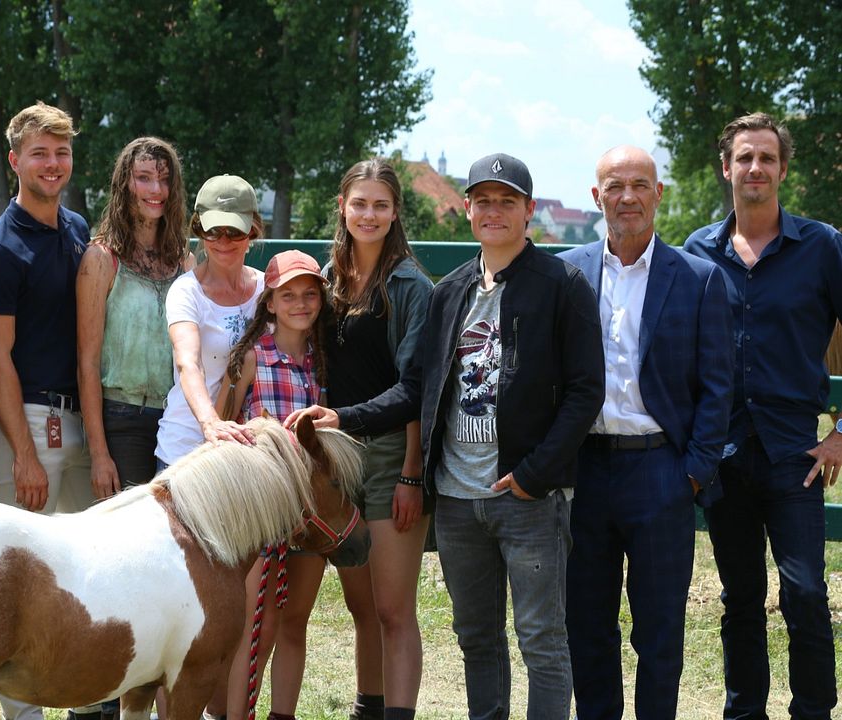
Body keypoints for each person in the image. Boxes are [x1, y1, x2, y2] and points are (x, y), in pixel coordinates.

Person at [286, 153, 605, 720]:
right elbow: (418, 389)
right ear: (466, 210)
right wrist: (347, 419)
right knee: (476, 638)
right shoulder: (450, 292)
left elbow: (585, 393)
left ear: (530, 210)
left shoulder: (562, 285)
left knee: (541, 642)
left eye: (507, 201)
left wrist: (536, 475)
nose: (494, 211)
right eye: (483, 200)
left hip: (524, 496)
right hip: (457, 497)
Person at [558, 146, 733, 720]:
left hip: (662, 470)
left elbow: (717, 383)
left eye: (640, 184)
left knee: (660, 631)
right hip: (584, 470)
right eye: (615, 185)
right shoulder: (568, 271)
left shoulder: (698, 278)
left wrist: (693, 470)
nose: (627, 196)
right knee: (588, 625)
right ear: (596, 196)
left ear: (658, 194)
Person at [684, 112, 840, 720]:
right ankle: (743, 712)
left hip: (794, 456)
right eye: (744, 158)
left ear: (782, 169)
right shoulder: (698, 251)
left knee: (805, 593)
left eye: (766, 158)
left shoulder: (822, 248)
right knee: (740, 598)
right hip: (721, 455)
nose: (755, 168)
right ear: (726, 169)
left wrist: (841, 436)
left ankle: (814, 712)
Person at [269, 159, 432, 720]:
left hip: (389, 455)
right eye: (359, 203)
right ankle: (367, 706)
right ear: (342, 206)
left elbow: (415, 391)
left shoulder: (410, 285)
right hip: (332, 461)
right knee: (355, 605)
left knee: (391, 610)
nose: (369, 214)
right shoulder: (327, 280)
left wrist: (412, 472)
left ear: (394, 213)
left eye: (381, 205)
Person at [0, 102, 99, 720]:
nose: (52, 163)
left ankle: (80, 702)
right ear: (15, 160)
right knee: (25, 589)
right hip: (31, 429)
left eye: (62, 152)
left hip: (83, 422)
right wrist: (21, 453)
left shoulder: (78, 229)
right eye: (40, 152)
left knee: (83, 582)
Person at [155, 174, 266, 720]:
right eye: (214, 231)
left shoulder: (267, 287)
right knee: (184, 598)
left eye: (236, 232)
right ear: (197, 229)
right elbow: (189, 363)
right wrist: (210, 424)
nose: (224, 242)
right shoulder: (186, 290)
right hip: (188, 451)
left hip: (251, 460)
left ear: (253, 232)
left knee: (236, 601)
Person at [215, 250, 331, 720]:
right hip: (260, 511)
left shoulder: (323, 364)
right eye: (289, 296)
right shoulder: (251, 358)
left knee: (294, 623)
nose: (300, 304)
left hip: (307, 511)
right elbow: (224, 426)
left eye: (309, 295)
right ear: (270, 303)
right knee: (253, 628)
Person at [77, 137, 193, 500]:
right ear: (124, 183)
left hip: (175, 420)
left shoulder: (184, 261)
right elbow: (87, 362)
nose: (155, 189)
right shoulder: (101, 259)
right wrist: (99, 453)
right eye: (144, 178)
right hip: (121, 419)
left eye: (163, 179)